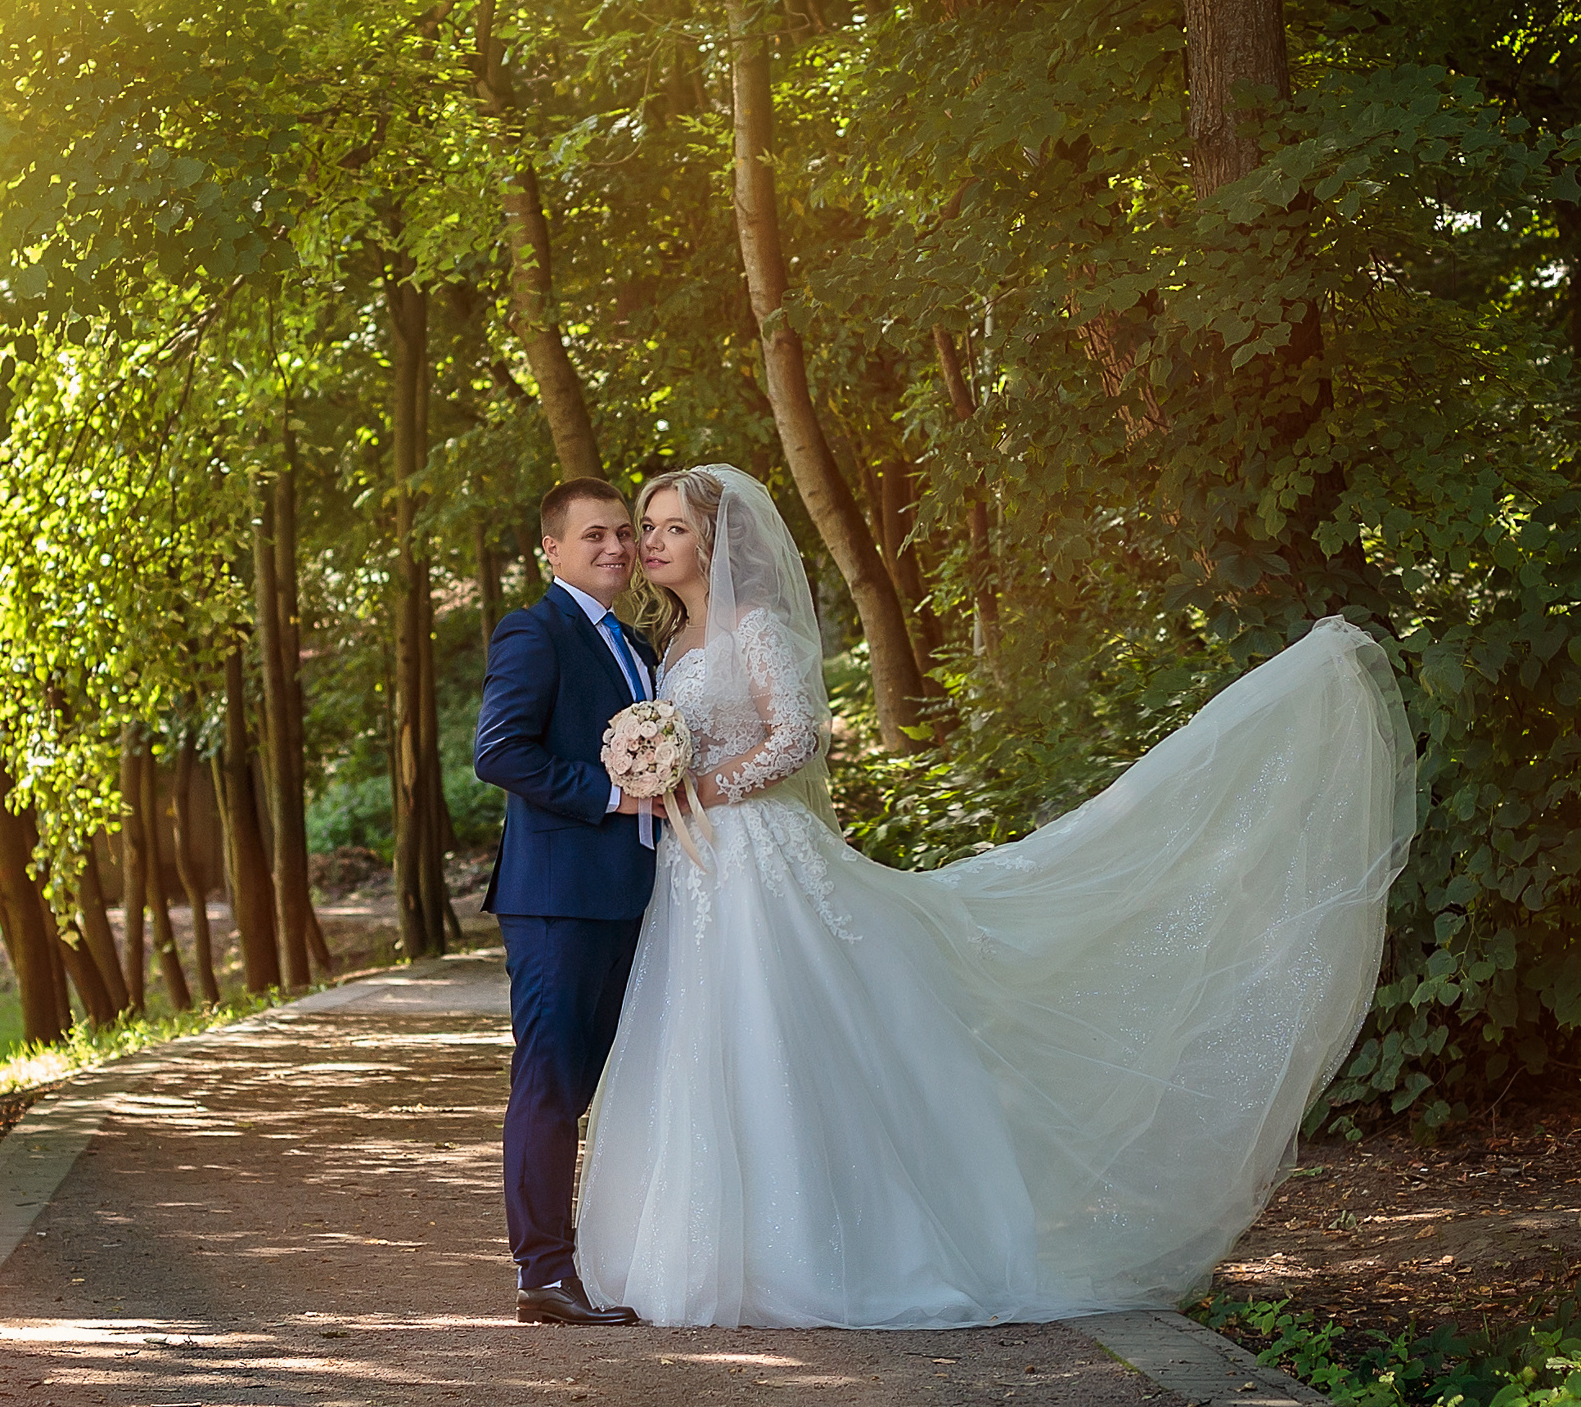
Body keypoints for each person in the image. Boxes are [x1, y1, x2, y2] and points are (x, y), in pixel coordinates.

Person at [575, 465, 1416, 1328]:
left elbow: (795, 739)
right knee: (700, 1038)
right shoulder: (668, 647)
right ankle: (707, 1247)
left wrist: (707, 785)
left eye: (670, 526)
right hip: (693, 871)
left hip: (760, 859)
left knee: (776, 1036)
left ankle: (823, 1249)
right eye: (646, 525)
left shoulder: (755, 627)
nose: (648, 540)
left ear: (712, 540)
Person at [472, 477, 662, 1325]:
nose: (617, 547)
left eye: (624, 533)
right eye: (596, 536)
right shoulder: (535, 631)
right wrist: (613, 796)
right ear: (552, 548)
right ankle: (541, 1274)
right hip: (556, 898)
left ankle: (584, 1256)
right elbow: (500, 751)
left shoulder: (634, 642)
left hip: (626, 893)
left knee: (587, 1086)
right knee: (548, 1082)